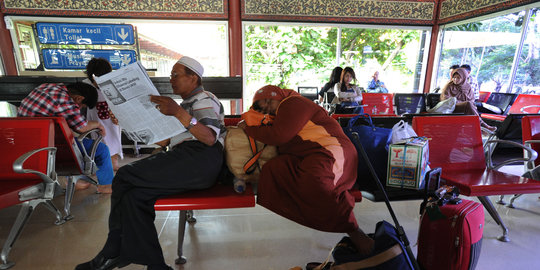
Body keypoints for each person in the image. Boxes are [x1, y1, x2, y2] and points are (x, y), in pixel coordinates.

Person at [75, 56, 226, 270]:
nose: (171, 79)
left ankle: (112, 249)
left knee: (125, 175)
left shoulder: (204, 98)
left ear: (194, 77)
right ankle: (156, 265)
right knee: (135, 197)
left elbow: (209, 137)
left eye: (176, 75)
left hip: (202, 159)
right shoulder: (183, 105)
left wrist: (179, 113)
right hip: (186, 159)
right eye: (171, 75)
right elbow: (165, 140)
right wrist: (126, 121)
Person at [238, 85, 375, 257]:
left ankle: (355, 232)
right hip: (307, 156)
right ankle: (317, 215)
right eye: (260, 106)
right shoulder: (279, 111)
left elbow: (279, 135)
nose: (266, 107)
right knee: (275, 170)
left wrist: (249, 128)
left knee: (316, 182)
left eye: (268, 101)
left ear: (278, 96)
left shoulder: (293, 102)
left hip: (332, 151)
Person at [17, 82, 115, 194]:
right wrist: (98, 124)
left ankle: (75, 180)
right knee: (101, 149)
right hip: (48, 148)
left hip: (25, 145)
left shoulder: (46, 87)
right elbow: (82, 127)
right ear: (79, 98)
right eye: (82, 106)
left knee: (68, 139)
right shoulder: (64, 100)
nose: (79, 108)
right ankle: (106, 186)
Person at [85, 58, 124, 171]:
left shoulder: (113, 85)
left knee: (114, 138)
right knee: (100, 140)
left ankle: (113, 161)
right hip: (97, 121)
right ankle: (105, 163)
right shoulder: (88, 87)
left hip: (112, 120)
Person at [441, 68, 496, 132]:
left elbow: (472, 99)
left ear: (464, 78)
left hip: (466, 108)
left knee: (470, 105)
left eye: (458, 78)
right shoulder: (449, 86)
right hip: (452, 107)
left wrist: (465, 103)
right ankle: (483, 125)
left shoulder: (468, 86)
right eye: (454, 77)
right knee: (468, 104)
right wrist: (461, 103)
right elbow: (445, 99)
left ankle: (479, 128)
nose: (455, 79)